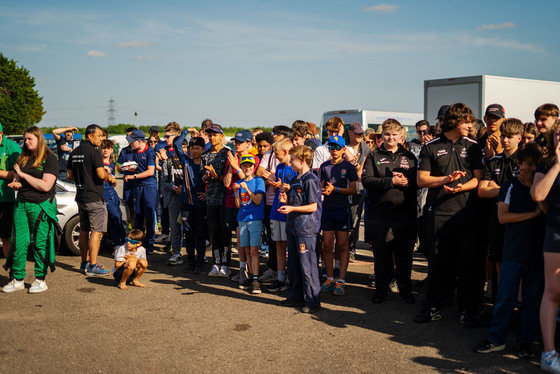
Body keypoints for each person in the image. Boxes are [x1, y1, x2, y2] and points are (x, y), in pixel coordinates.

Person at [415, 103, 483, 325]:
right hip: (438, 213)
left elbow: (477, 179)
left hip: (465, 214)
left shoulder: (473, 146)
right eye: (467, 122)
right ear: (454, 122)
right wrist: (446, 179)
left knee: (466, 264)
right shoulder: (431, 147)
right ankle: (431, 306)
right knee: (437, 264)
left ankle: (466, 311)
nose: (470, 126)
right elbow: (421, 179)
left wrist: (462, 187)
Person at [474, 143, 544, 359]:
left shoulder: (542, 191)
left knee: (532, 301)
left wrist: (537, 199)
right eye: (529, 165)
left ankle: (525, 342)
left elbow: (546, 210)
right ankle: (496, 339)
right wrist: (532, 215)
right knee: (505, 298)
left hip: (537, 254)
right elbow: (503, 217)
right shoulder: (509, 187)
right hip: (513, 252)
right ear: (519, 163)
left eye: (536, 166)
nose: (532, 169)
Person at [362, 119, 418, 304]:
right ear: (382, 136)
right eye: (387, 134)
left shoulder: (410, 157)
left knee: (404, 255)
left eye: (394, 135)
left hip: (406, 214)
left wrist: (406, 180)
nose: (390, 138)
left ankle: (405, 289)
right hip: (380, 216)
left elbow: (419, 182)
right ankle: (381, 290)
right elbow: (366, 181)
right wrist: (390, 182)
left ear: (401, 136)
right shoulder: (373, 156)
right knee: (382, 255)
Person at [2, 127, 59, 293]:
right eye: (25, 139)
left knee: (41, 243)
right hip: (21, 203)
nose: (26, 142)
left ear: (38, 139)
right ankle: (17, 278)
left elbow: (46, 185)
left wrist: (24, 175)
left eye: (29, 139)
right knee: (18, 242)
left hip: (41, 205)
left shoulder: (50, 158)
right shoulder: (23, 157)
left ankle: (40, 279)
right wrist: (16, 182)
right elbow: (17, 178)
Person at [478, 118, 523, 298]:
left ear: (519, 138)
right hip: (495, 220)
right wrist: (506, 189)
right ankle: (499, 305)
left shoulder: (524, 161)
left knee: (517, 267)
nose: (505, 140)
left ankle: (516, 307)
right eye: (503, 136)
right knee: (497, 265)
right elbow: (482, 191)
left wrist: (496, 188)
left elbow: (524, 192)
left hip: (518, 222)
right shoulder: (493, 161)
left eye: (510, 137)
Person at [530, 121, 560, 372]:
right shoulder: (547, 163)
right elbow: (538, 195)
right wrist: (559, 165)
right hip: (556, 233)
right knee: (553, 292)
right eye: (559, 134)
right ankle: (549, 353)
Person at [278, 145, 322, 313]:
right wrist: (285, 200)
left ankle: (313, 301)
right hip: (293, 227)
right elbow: (295, 201)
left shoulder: (311, 179)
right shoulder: (295, 178)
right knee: (294, 265)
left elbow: (312, 206)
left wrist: (292, 209)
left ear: (303, 161)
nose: (290, 163)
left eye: (293, 160)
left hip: (307, 230)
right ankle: (295, 296)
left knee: (307, 266)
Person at [68, 124, 115, 276]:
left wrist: (83, 178)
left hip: (81, 196)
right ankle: (93, 266)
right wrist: (109, 177)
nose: (102, 139)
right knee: (96, 232)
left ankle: (84, 263)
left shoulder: (74, 152)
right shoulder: (94, 153)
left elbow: (69, 176)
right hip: (94, 197)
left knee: (83, 230)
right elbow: (101, 175)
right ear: (90, 136)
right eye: (99, 135)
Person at [318, 135, 358, 296]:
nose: (334, 150)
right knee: (326, 244)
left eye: (337, 147)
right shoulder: (323, 166)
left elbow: (353, 190)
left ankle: (341, 280)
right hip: (327, 209)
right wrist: (324, 190)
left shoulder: (348, 167)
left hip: (342, 209)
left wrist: (335, 190)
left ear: (343, 149)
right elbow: (319, 187)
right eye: (331, 147)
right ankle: (329, 278)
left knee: (342, 245)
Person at [223, 130, 260, 279]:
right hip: (232, 201)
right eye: (235, 142)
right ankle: (242, 269)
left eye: (240, 142)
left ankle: (248, 272)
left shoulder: (253, 159)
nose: (236, 145)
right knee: (239, 241)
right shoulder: (232, 158)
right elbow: (226, 183)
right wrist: (232, 165)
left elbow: (249, 180)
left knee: (246, 243)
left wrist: (236, 166)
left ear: (248, 143)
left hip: (247, 205)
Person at [174, 132, 207, 273]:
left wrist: (207, 194)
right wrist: (186, 132)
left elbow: (211, 181)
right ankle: (191, 262)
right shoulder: (185, 162)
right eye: (192, 148)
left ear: (203, 149)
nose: (194, 151)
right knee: (189, 233)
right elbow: (176, 144)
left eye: (197, 148)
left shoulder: (206, 163)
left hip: (201, 204)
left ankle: (200, 262)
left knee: (200, 233)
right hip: (186, 203)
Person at [201, 124, 232, 277]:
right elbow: (203, 176)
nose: (212, 138)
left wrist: (216, 176)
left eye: (215, 135)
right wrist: (207, 177)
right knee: (214, 233)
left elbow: (229, 178)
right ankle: (216, 263)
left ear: (221, 136)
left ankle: (225, 264)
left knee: (225, 233)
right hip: (211, 199)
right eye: (210, 135)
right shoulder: (205, 155)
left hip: (225, 198)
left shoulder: (227, 153)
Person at [234, 154, 266, 294]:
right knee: (246, 249)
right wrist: (236, 192)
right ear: (241, 167)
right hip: (242, 219)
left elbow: (258, 201)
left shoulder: (259, 181)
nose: (247, 168)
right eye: (245, 166)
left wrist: (247, 189)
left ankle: (256, 279)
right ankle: (250, 275)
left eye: (250, 166)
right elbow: (238, 205)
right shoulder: (240, 183)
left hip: (255, 219)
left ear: (254, 168)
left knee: (254, 250)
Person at [266, 139, 295, 292]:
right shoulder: (279, 167)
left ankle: (291, 277)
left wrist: (284, 188)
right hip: (276, 210)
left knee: (290, 246)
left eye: (277, 154)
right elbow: (278, 185)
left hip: (288, 211)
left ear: (285, 152)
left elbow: (295, 189)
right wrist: (276, 185)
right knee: (278, 245)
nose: (275, 157)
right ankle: (280, 277)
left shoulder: (295, 169)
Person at [124, 129, 157, 254]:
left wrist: (134, 176)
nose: (131, 144)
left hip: (149, 187)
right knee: (138, 216)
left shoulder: (149, 152)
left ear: (139, 141)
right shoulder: (134, 152)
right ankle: (136, 243)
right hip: (138, 187)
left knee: (149, 216)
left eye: (132, 142)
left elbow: (150, 171)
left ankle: (149, 245)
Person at [159, 122, 184, 265]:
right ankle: (176, 253)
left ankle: (196, 256)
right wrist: (175, 188)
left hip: (188, 198)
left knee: (190, 227)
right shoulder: (167, 161)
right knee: (175, 227)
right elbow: (163, 182)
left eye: (167, 136)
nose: (165, 139)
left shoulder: (188, 160)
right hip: (174, 198)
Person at [347, 121, 370, 262]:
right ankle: (339, 248)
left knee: (354, 220)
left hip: (358, 189)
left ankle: (351, 248)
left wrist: (354, 163)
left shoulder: (366, 148)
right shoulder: (342, 147)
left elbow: (361, 173)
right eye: (357, 133)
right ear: (350, 133)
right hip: (342, 187)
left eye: (362, 133)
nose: (360, 136)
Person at [0, 122, 21, 257]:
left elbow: (18, 175)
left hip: (5, 200)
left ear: (0, 134)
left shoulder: (12, 148)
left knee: (6, 237)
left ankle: (13, 272)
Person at [101, 139, 126, 250]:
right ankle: (124, 242)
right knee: (115, 217)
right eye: (103, 148)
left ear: (112, 150)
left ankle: (117, 244)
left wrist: (113, 179)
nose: (105, 150)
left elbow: (114, 183)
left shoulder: (111, 164)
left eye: (107, 148)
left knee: (115, 218)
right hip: (104, 192)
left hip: (112, 191)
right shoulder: (99, 163)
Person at [116, 126, 138, 227]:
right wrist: (125, 168)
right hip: (128, 184)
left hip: (139, 183)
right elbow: (118, 167)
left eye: (131, 136)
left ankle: (142, 231)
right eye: (127, 136)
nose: (128, 139)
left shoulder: (140, 150)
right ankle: (132, 228)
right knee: (129, 208)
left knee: (140, 208)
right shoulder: (124, 151)